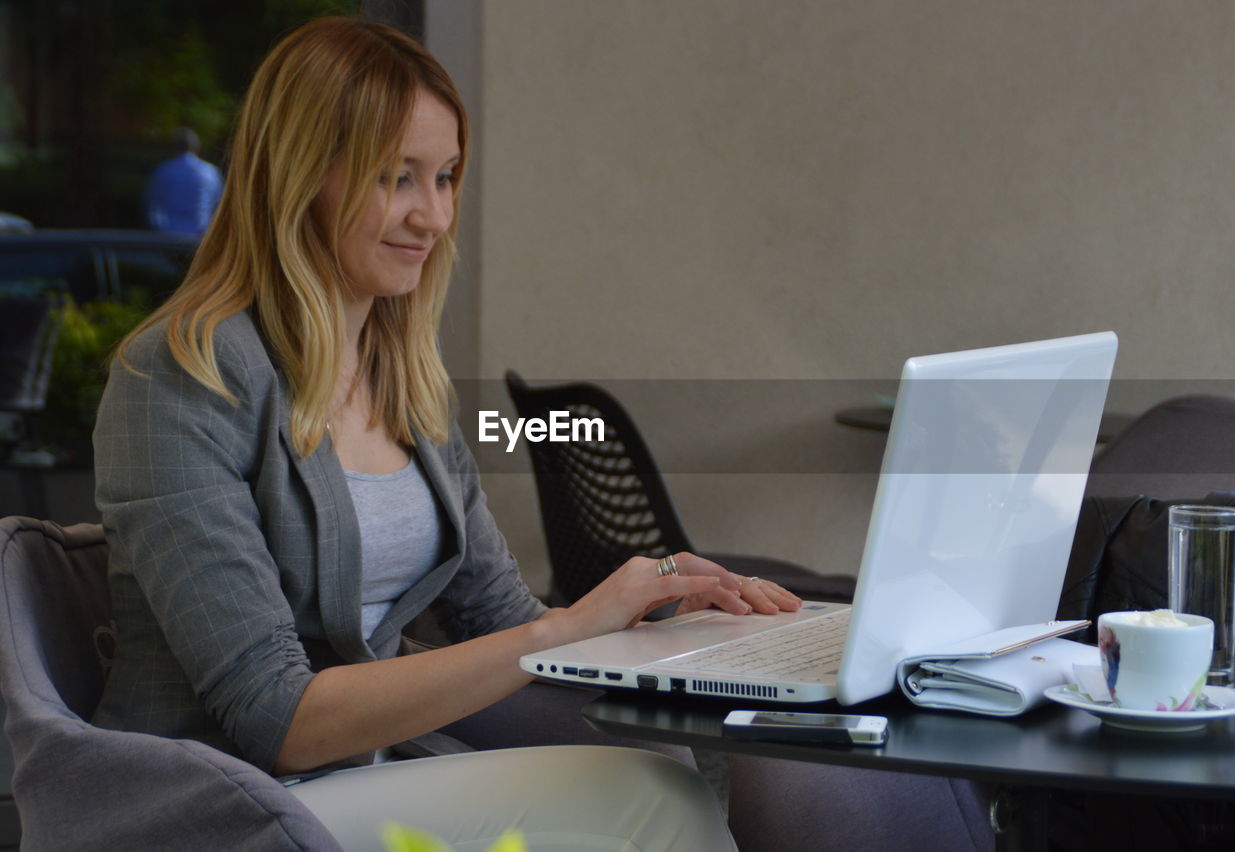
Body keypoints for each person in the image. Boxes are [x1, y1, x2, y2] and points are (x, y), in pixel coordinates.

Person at [95, 17, 797, 851]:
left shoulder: (405, 380)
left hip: (357, 778)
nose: (432, 215)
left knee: (673, 762)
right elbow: (274, 715)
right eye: (398, 178)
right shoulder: (181, 375)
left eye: (448, 176)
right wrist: (565, 629)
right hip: (215, 799)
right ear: (300, 177)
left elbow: (499, 619)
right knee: (651, 802)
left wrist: (665, 625)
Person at [143, 126, 224, 234]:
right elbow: (218, 205)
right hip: (202, 234)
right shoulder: (210, 172)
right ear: (197, 147)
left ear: (174, 147)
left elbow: (153, 206)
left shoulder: (164, 170)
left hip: (169, 235)